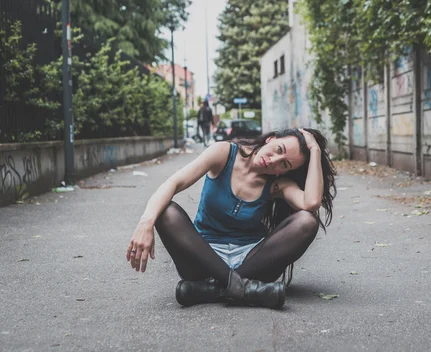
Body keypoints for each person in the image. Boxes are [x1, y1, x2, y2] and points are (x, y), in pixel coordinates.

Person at [126, 128, 337, 309]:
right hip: (203, 258)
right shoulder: (224, 153)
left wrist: (316, 151)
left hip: (251, 261)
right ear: (270, 139)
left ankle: (213, 289)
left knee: (307, 222)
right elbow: (174, 183)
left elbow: (311, 203)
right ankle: (242, 288)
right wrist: (146, 222)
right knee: (166, 212)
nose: (274, 161)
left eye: (284, 165)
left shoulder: (275, 185)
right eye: (279, 150)